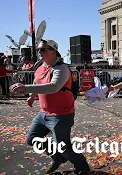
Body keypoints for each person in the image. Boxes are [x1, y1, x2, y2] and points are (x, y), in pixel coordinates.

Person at [10, 39, 90, 174]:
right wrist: (32, 95)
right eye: (38, 50)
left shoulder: (61, 68)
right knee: (32, 139)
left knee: (63, 146)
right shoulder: (40, 66)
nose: (39, 52)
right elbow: (37, 80)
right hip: (44, 113)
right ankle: (57, 157)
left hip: (62, 115)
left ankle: (82, 167)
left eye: (42, 49)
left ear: (53, 51)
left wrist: (25, 87)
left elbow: (54, 87)